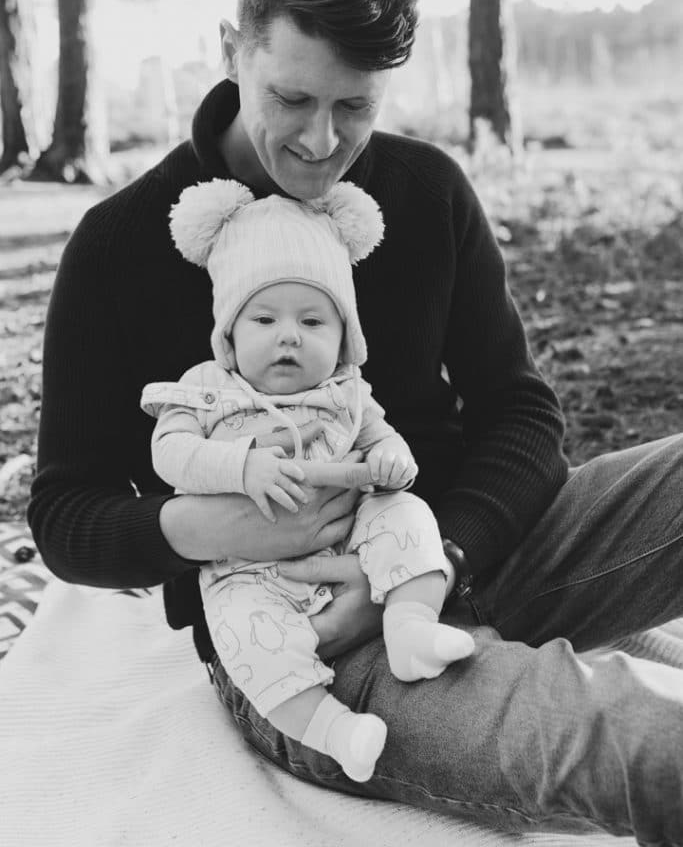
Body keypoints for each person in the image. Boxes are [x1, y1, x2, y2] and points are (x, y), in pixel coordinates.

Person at [29, 0, 682, 840]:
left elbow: (520, 414)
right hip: (305, 643)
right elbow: (64, 511)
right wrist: (198, 526)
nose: (321, 141)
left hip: (468, 552)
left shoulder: (424, 190)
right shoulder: (119, 243)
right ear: (232, 49)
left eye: (355, 107)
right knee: (636, 741)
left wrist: (438, 559)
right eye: (292, 99)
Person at [140, 179, 474, 782]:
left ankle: (411, 630)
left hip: (352, 544)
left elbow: (382, 438)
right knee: (247, 641)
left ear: (345, 339)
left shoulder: (347, 392)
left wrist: (393, 460)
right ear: (229, 334)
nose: (289, 335)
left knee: (408, 514)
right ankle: (337, 732)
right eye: (265, 318)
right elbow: (169, 452)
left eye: (314, 320)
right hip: (250, 572)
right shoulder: (207, 389)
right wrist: (242, 465)